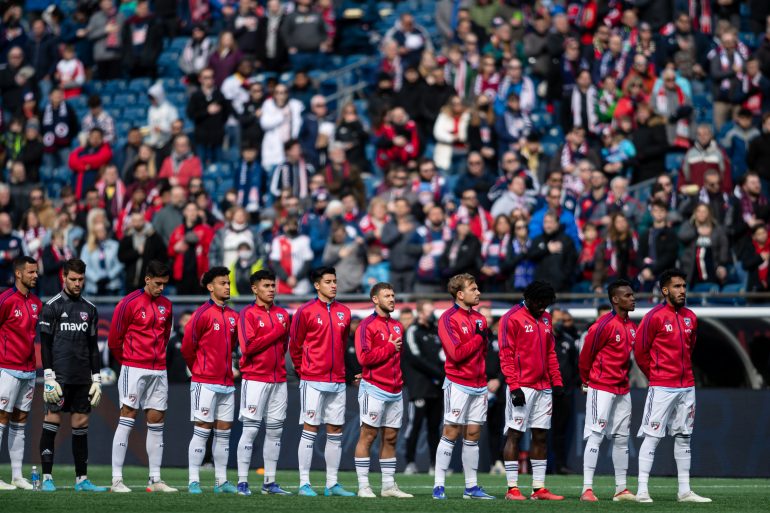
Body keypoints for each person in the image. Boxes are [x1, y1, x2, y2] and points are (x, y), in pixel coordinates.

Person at [634, 269, 711, 503]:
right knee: (653, 436)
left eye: (684, 286)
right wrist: (655, 375)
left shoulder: (691, 316)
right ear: (665, 290)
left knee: (684, 436)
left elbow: (690, 347)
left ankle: (684, 491)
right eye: (677, 287)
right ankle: (642, 490)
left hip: (687, 386)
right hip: (662, 387)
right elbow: (640, 351)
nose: (682, 291)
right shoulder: (653, 316)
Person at [107, 261, 177, 493]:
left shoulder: (167, 304)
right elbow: (114, 339)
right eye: (157, 283)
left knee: (156, 421)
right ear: (147, 279)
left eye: (165, 284)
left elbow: (166, 335)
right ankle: (117, 479)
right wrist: (128, 360)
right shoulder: (128, 303)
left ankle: (155, 479)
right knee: (127, 417)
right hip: (134, 367)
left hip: (159, 369)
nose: (161, 288)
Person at [38, 258, 106, 492]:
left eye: (81, 279)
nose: (78, 283)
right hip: (59, 377)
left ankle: (81, 479)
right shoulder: (52, 306)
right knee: (52, 421)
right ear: (63, 278)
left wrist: (96, 378)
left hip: (82, 377)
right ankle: (47, 477)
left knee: (81, 423)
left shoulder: (90, 309)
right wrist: (48, 376)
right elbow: (45, 345)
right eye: (73, 279)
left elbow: (93, 347)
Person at [288, 266, 354, 497]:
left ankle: (332, 484)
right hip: (312, 379)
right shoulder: (304, 312)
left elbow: (343, 344)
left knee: (335, 430)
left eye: (335, 281)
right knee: (310, 429)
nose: (334, 285)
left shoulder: (344, 312)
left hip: (337, 379)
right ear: (317, 285)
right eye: (328, 281)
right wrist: (303, 370)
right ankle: (304, 483)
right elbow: (294, 345)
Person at [498, 280, 564, 501]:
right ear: (528, 298)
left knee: (541, 435)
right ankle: (512, 488)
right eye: (539, 302)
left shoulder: (546, 317)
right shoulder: (511, 318)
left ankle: (538, 489)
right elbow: (506, 354)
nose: (543, 307)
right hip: (522, 386)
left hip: (544, 386)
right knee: (515, 434)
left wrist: (557, 382)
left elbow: (551, 352)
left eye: (546, 303)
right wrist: (514, 386)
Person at [432, 273, 494, 500]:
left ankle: (471, 487)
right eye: (473, 288)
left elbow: (484, 352)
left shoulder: (480, 319)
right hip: (458, 382)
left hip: (479, 384)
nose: (478, 292)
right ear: (460, 294)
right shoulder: (447, 319)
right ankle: (438, 486)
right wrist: (478, 339)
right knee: (451, 431)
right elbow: (456, 354)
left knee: (474, 434)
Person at [577, 279, 638, 502]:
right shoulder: (603, 325)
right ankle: (587, 489)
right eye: (628, 295)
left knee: (622, 438)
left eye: (632, 295)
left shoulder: (632, 327)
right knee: (596, 435)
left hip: (622, 388)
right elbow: (585, 356)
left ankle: (621, 489)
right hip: (601, 386)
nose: (633, 299)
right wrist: (586, 381)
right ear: (615, 299)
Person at [182, 267, 239, 494]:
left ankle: (221, 481)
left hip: (226, 382)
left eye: (228, 283)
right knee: (202, 430)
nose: (227, 286)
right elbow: (188, 347)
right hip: (204, 381)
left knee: (224, 432)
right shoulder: (202, 314)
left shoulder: (234, 316)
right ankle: (193, 480)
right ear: (210, 287)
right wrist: (197, 369)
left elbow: (233, 347)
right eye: (222, 283)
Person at [354, 282, 413, 499]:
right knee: (368, 436)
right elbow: (364, 358)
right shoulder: (366, 326)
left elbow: (397, 359)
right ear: (375, 299)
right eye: (386, 295)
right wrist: (388, 347)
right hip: (375, 389)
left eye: (393, 295)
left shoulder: (398, 326)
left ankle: (388, 486)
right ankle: (363, 486)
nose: (391, 299)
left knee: (391, 438)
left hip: (395, 390)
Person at [235, 269, 291, 496]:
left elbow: (284, 346)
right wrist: (276, 332)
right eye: (266, 286)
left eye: (272, 285)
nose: (271, 290)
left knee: (275, 432)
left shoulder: (282, 314)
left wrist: (277, 334)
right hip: (256, 378)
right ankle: (242, 482)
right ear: (254, 288)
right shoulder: (247, 314)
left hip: (279, 379)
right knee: (250, 431)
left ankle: (269, 482)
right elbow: (247, 347)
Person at [0, 256, 41, 490]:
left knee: (20, 421)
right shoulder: (5, 300)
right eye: (31, 272)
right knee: (1, 418)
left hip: (28, 370)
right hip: (7, 368)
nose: (35, 276)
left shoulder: (36, 303)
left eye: (36, 272)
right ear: (18, 274)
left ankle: (17, 476)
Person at [402, 299, 443, 474]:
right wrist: (440, 373)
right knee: (415, 425)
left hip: (436, 387)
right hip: (419, 386)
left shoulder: (436, 331)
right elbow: (415, 358)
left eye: (432, 310)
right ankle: (410, 462)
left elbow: (443, 355)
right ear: (420, 313)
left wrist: (441, 374)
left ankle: (434, 464)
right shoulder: (412, 331)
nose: (431, 314)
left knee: (435, 427)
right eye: (428, 311)